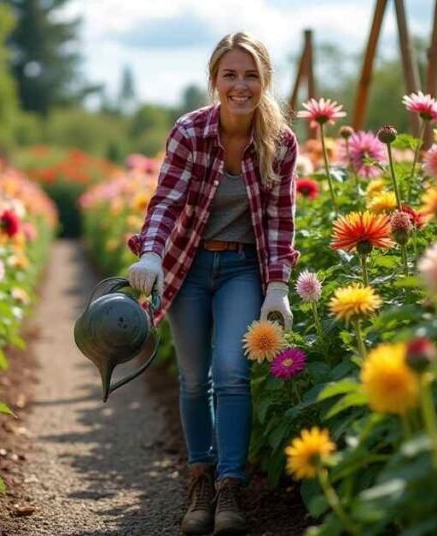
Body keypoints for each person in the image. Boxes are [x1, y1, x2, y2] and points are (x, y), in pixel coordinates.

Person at [125, 31, 299, 536]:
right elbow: (167, 201)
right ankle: (200, 478)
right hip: (188, 265)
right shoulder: (190, 132)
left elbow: (278, 219)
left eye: (250, 75)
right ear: (214, 80)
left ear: (265, 80)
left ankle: (230, 486)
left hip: (243, 268)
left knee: (231, 370)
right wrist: (153, 255)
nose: (240, 85)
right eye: (230, 75)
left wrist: (278, 286)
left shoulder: (280, 143)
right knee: (193, 375)